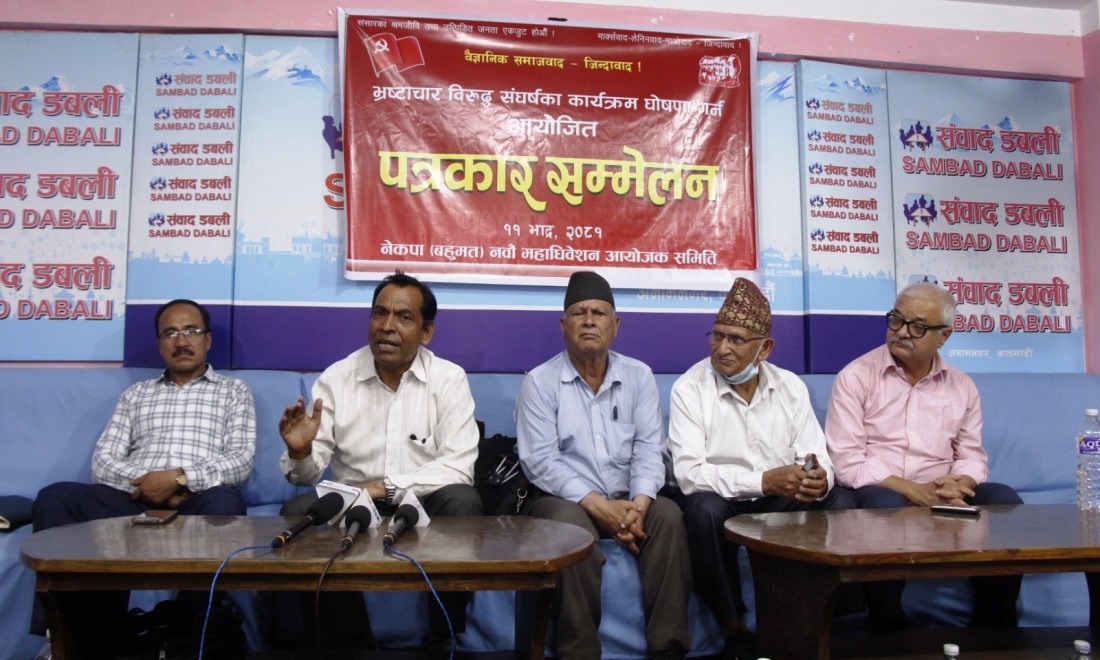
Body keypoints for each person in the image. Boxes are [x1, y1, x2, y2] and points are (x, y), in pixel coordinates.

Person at [31, 298, 256, 658]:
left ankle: (189, 632)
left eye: (191, 331)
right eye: (170, 333)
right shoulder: (136, 394)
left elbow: (240, 460)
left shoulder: (234, 391)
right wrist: (150, 485)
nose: (181, 341)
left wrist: (180, 479)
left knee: (226, 502)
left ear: (208, 340)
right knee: (56, 497)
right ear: (160, 344)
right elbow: (103, 461)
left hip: (195, 498)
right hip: (132, 497)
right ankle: (66, 637)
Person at [277, 271, 481, 649]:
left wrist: (380, 488)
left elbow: (459, 468)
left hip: (421, 500)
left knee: (463, 500)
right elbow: (306, 475)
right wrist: (301, 451)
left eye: (403, 317)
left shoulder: (448, 379)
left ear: (426, 332)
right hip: (353, 501)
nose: (387, 326)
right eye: (379, 313)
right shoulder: (337, 378)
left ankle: (443, 633)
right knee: (296, 512)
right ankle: (349, 642)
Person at [668, 277, 855, 659]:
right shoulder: (690, 389)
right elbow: (689, 475)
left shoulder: (790, 387)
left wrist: (818, 479)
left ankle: (824, 620)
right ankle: (733, 627)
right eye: (717, 336)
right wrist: (763, 481)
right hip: (724, 502)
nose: (722, 348)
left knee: (840, 502)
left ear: (764, 348)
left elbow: (817, 455)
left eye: (736, 339)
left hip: (778, 500)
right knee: (703, 510)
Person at [825, 281, 1024, 629]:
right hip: (881, 489)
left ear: (943, 336)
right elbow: (847, 461)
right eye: (896, 320)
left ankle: (994, 626)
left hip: (941, 490)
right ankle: (887, 623)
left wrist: (959, 483)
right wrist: (916, 492)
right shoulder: (856, 377)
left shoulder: (961, 386)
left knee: (1004, 501)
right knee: (883, 505)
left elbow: (971, 455)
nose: (902, 332)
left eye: (917, 327)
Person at [515, 270, 691, 660]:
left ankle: (669, 648)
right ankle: (578, 652)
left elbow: (649, 448)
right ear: (563, 325)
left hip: (629, 499)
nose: (589, 321)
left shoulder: (638, 376)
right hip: (564, 501)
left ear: (616, 325)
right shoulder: (540, 383)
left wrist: (640, 504)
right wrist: (597, 506)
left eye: (599, 313)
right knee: (571, 529)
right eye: (579, 313)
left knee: (669, 516)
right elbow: (540, 460)